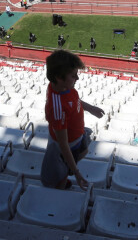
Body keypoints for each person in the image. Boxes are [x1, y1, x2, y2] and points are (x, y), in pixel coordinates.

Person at [41, 50, 104, 190]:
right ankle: (64, 179)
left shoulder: (64, 88)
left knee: (84, 151)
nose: (77, 78)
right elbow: (63, 144)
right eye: (73, 75)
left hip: (77, 137)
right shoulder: (57, 108)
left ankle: (69, 166)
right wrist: (76, 173)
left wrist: (90, 108)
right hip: (66, 146)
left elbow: (74, 100)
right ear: (59, 77)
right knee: (60, 177)